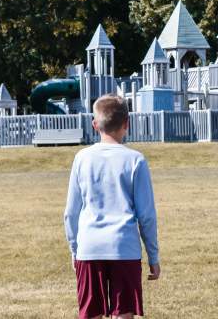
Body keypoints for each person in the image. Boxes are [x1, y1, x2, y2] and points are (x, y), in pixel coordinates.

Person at [64, 94, 160, 319]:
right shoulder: (135, 160)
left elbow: (71, 212)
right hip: (124, 247)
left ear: (95, 124)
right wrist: (153, 257)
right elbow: (147, 215)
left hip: (89, 247)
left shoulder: (82, 158)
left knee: (90, 313)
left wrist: (74, 249)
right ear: (127, 123)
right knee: (123, 314)